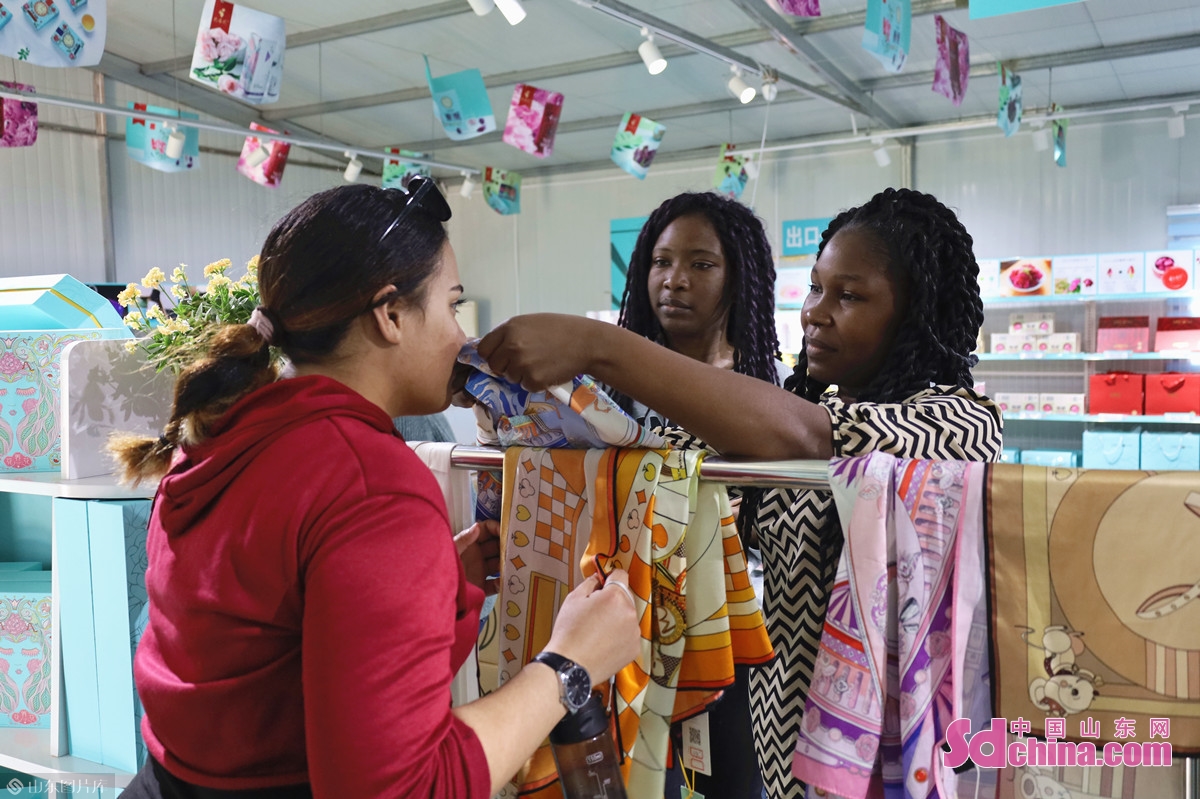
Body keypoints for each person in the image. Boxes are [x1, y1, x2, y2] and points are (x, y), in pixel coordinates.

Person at [111, 179, 642, 799]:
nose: (462, 338)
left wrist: (439, 583)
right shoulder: (370, 482)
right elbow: (399, 787)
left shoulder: (222, 433)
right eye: (451, 307)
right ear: (390, 315)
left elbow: (276, 639)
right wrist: (569, 666)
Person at [476, 187, 1004, 799]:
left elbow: (814, 438)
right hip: (785, 746)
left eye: (850, 295)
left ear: (916, 312)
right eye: (815, 288)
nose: (816, 313)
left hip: (901, 751)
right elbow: (673, 470)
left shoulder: (959, 421)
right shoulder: (800, 413)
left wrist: (600, 345)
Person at [614, 190, 784, 799]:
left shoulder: (768, 398)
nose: (675, 281)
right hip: (622, 633)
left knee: (730, 783)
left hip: (731, 640)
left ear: (741, 277)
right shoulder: (612, 394)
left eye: (701, 264)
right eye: (661, 262)